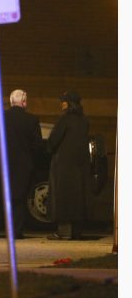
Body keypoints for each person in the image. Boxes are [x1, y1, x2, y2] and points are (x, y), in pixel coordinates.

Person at [0, 89, 43, 239]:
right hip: (22, 166)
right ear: (24, 102)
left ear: (11, 102)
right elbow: (37, 145)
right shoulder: (31, 120)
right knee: (18, 199)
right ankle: (15, 231)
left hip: (0, 164)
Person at [46, 90, 90, 240]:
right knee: (77, 197)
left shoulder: (64, 120)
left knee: (63, 197)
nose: (61, 103)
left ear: (69, 103)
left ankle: (64, 232)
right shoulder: (84, 120)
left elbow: (53, 140)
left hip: (64, 165)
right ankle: (76, 232)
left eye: (63, 101)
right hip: (79, 165)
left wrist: (49, 150)